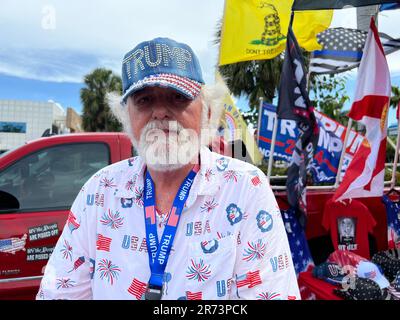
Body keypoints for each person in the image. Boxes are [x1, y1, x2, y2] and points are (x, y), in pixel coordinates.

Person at [37, 37, 300, 300]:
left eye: (178, 97)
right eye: (144, 99)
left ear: (207, 112)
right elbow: (60, 293)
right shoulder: (100, 189)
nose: (160, 112)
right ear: (126, 117)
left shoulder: (245, 188)